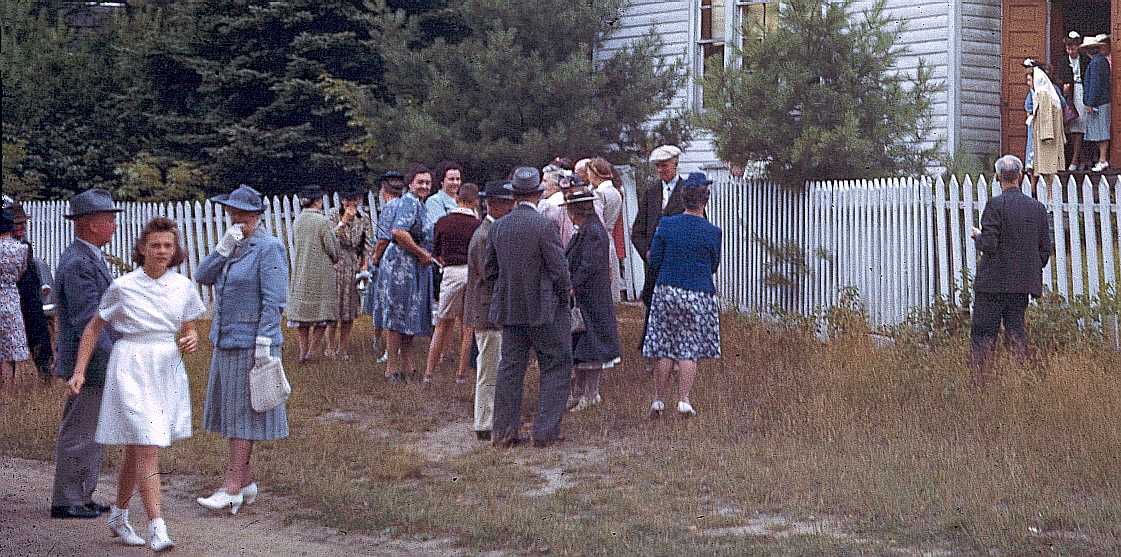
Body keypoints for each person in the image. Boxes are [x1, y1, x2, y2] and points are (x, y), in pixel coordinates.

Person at [67, 217, 205, 551]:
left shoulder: (183, 286)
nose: (161, 251)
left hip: (165, 367)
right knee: (146, 444)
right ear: (142, 248)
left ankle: (119, 515)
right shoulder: (123, 286)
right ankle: (158, 526)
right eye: (155, 245)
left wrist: (191, 338)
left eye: (167, 246)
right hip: (130, 365)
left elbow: (188, 328)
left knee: (140, 445)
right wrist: (80, 372)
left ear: (175, 251)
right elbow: (93, 328)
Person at [194, 185, 290, 516]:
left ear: (257, 216)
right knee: (231, 414)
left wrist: (264, 343)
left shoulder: (269, 248)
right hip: (225, 340)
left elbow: (274, 300)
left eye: (243, 214)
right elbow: (201, 275)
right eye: (232, 213)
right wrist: (222, 250)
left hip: (252, 345)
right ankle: (245, 482)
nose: (236, 219)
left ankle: (231, 488)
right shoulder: (233, 247)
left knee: (242, 418)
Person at [486, 166, 573, 449]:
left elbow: (490, 272)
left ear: (514, 196)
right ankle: (545, 431)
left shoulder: (498, 227)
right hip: (544, 309)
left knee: (510, 369)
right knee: (556, 365)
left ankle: (503, 432)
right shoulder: (544, 226)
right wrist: (564, 297)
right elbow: (559, 270)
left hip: (511, 309)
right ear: (537, 194)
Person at [50, 188, 121, 520]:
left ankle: (81, 493)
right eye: (109, 220)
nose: (113, 226)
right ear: (92, 224)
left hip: (94, 360)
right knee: (82, 428)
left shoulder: (87, 255)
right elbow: (87, 320)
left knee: (91, 429)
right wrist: (112, 357)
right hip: (91, 361)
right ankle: (68, 499)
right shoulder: (80, 261)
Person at [642, 172, 722, 418]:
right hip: (698, 291)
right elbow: (713, 265)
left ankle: (658, 400)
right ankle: (684, 400)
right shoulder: (713, 231)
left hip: (667, 289)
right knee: (689, 348)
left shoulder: (666, 225)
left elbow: (653, 260)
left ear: (683, 198)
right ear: (705, 200)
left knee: (665, 346)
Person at [968, 155, 1052, 379]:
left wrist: (978, 237)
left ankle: (981, 382)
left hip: (992, 286)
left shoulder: (995, 205)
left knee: (984, 335)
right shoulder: (1038, 208)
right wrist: (1027, 268)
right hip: (1021, 286)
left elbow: (989, 245)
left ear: (997, 178)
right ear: (1021, 176)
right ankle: (1021, 381)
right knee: (1016, 334)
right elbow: (1045, 250)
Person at [561, 188, 621, 413]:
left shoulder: (593, 231)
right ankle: (579, 393)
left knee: (592, 345)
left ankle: (591, 393)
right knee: (582, 345)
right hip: (585, 298)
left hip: (592, 298)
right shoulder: (586, 229)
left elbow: (589, 264)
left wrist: (573, 285)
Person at [375, 164, 436, 383]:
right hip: (401, 266)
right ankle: (391, 369)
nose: (424, 186)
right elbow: (399, 232)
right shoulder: (409, 202)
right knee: (397, 317)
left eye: (428, 182)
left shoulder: (420, 204)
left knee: (410, 317)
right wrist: (421, 253)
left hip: (415, 265)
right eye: (420, 182)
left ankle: (408, 366)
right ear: (411, 184)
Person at [465, 180, 515, 441]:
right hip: (486, 312)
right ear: (494, 205)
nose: (511, 207)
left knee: (493, 366)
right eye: (508, 203)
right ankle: (484, 422)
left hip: (491, 310)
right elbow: (490, 275)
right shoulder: (485, 235)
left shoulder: (491, 231)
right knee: (488, 369)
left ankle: (491, 418)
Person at [631, 145, 687, 371]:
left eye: (664, 166)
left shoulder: (686, 192)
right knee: (654, 308)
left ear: (675, 164)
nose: (660, 171)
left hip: (677, 265)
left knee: (677, 310)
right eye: (657, 167)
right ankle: (653, 355)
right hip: (654, 266)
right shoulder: (651, 192)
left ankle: (675, 358)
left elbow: (695, 227)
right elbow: (638, 230)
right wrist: (646, 252)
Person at [424, 182, 481, 383]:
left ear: (457, 198)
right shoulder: (477, 225)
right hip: (472, 273)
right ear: (475, 201)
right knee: (467, 326)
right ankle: (461, 374)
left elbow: (436, 252)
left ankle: (429, 373)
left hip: (450, 272)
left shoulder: (443, 222)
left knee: (442, 323)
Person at [287, 186, 340, 362]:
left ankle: (303, 352)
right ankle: (311, 352)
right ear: (317, 201)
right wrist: (335, 256)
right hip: (321, 273)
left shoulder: (298, 221)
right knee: (322, 316)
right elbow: (332, 248)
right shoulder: (322, 222)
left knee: (303, 317)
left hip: (302, 270)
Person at [3, 195, 53, 380]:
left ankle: (45, 373)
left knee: (39, 335)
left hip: (29, 296)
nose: (21, 227)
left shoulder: (25, 246)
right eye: (17, 223)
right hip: (11, 297)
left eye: (23, 223)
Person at [326, 185, 373, 360]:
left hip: (353, 264)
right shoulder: (333, 215)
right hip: (336, 264)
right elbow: (330, 238)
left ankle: (343, 348)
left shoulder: (364, 218)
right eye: (347, 200)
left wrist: (365, 266)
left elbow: (368, 244)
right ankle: (330, 347)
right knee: (334, 309)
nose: (350, 203)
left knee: (350, 309)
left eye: (354, 200)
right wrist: (344, 220)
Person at [366, 171, 406, 367]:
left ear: (383, 189)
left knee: (389, 307)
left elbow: (382, 239)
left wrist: (374, 258)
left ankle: (391, 353)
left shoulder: (390, 208)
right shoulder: (408, 205)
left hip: (390, 263)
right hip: (405, 263)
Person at [0, 209, 31, 392]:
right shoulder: (21, 249)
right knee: (9, 347)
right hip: (10, 297)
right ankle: (8, 387)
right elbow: (21, 272)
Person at [587, 157, 624, 303]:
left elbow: (598, 222)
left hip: (600, 241)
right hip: (609, 239)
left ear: (595, 173)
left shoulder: (599, 194)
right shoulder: (616, 192)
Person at [1057, 32, 1091, 170]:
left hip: (1082, 91)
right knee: (1071, 126)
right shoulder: (1063, 61)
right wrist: (1064, 87)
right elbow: (1059, 78)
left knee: (1081, 125)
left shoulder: (1085, 60)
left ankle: (1076, 159)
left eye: (1073, 47)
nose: (1071, 51)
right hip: (1069, 94)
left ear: (1078, 47)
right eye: (1068, 48)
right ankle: (1080, 159)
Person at [1027, 63, 1066, 176]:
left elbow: (1045, 118)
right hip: (1043, 131)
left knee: (1047, 163)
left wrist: (1046, 134)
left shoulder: (1044, 93)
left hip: (1046, 133)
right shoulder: (1041, 92)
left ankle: (1048, 190)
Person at [1081, 35, 1112, 172]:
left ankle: (1102, 159)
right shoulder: (1101, 61)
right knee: (1100, 131)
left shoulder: (1096, 63)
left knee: (1101, 132)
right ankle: (1101, 159)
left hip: (1099, 103)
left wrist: (1090, 103)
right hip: (1101, 101)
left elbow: (1095, 84)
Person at [425, 161, 463, 226]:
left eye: (458, 179)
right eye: (451, 179)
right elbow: (441, 226)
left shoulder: (463, 200)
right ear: (441, 181)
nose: (455, 182)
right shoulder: (433, 201)